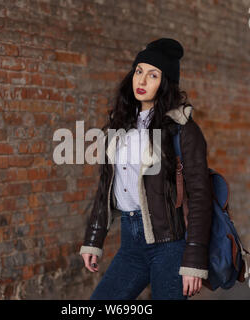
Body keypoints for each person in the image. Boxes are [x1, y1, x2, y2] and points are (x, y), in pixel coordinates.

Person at [79, 38, 213, 300]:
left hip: (170, 246)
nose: (141, 81)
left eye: (153, 75)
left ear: (164, 83)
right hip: (130, 243)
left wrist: (194, 260)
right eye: (139, 71)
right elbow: (106, 187)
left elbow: (200, 197)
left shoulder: (182, 128)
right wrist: (94, 238)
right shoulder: (120, 125)